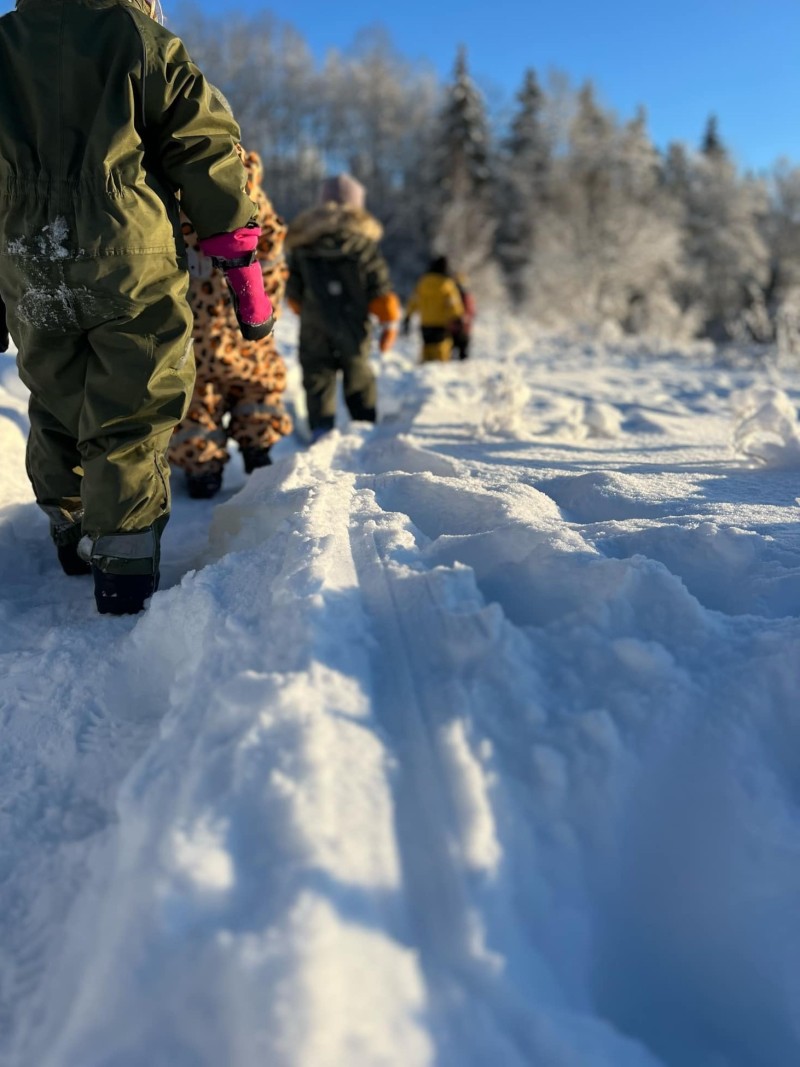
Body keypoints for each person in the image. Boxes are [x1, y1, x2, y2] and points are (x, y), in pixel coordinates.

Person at [0, 0, 274, 614]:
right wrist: (237, 253)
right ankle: (122, 562)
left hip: (26, 254)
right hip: (128, 255)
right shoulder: (140, 39)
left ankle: (70, 527)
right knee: (133, 400)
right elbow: (202, 145)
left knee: (55, 393)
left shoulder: (6, 41)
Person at [169, 145, 292, 499]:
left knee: (203, 396)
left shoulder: (170, 189)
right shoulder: (249, 191)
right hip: (231, 319)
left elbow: (271, 252)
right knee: (251, 385)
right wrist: (268, 300)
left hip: (206, 322)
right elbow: (273, 252)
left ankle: (215, 462)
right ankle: (243, 454)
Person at [285, 174, 401, 441]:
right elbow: (379, 286)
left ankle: (321, 429)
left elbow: (292, 288)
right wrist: (389, 320)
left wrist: (303, 307)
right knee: (358, 371)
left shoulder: (303, 242)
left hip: (315, 322)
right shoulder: (363, 244)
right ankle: (364, 427)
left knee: (317, 374)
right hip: (353, 321)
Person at [403, 256, 465, 362]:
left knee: (427, 347)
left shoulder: (423, 283)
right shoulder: (447, 284)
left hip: (425, 323)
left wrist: (408, 316)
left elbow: (413, 301)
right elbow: (453, 303)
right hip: (441, 324)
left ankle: (422, 371)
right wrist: (458, 318)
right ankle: (439, 372)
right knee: (441, 349)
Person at [452, 272, 477, 361]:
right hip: (464, 328)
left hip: (452, 328)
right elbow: (472, 311)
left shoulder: (452, 294)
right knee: (463, 354)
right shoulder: (468, 295)